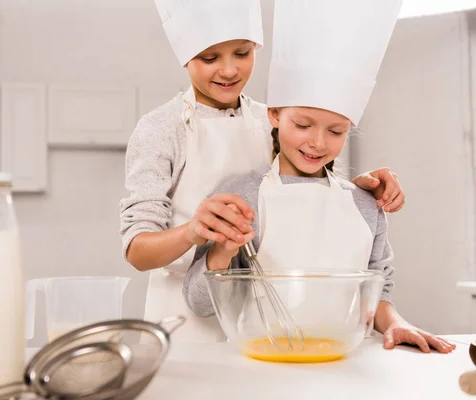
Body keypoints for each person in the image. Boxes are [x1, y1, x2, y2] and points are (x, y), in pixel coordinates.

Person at [120, 0, 406, 343]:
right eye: (209, 58)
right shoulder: (161, 130)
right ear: (184, 56)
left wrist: (359, 190)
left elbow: (303, 181)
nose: (228, 70)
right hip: (184, 320)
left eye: (242, 53)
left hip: (261, 321)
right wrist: (194, 233)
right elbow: (138, 251)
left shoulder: (273, 119)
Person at [182, 0, 456, 353]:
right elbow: (199, 302)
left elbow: (377, 292)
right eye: (302, 124)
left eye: (336, 131)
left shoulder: (365, 205)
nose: (317, 142)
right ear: (276, 114)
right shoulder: (242, 195)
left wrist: (398, 323)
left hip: (345, 362)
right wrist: (223, 249)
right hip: (261, 363)